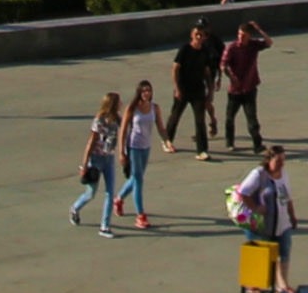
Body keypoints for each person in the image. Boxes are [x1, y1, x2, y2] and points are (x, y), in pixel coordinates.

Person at [70, 91, 124, 235]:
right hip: (96, 159)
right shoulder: (99, 120)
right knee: (91, 193)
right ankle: (75, 208)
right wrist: (84, 164)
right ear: (112, 104)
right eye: (119, 102)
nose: (121, 104)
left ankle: (104, 226)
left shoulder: (118, 119)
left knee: (110, 192)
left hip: (109, 158)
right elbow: (91, 142)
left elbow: (123, 132)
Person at [167, 22, 221, 157]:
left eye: (201, 35)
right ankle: (167, 140)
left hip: (198, 90)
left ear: (204, 37)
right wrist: (177, 88)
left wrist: (210, 91)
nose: (198, 37)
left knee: (200, 120)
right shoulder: (185, 49)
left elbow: (207, 72)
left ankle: (202, 150)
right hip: (183, 88)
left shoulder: (205, 52)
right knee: (175, 116)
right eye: (196, 34)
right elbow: (175, 69)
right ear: (192, 35)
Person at [113, 77, 160, 228]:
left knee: (135, 179)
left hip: (146, 147)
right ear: (139, 92)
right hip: (133, 146)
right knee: (139, 180)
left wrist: (167, 140)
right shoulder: (132, 108)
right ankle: (140, 215)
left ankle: (119, 198)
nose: (147, 93)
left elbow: (161, 126)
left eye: (149, 90)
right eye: (144, 90)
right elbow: (123, 130)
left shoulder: (154, 107)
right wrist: (121, 152)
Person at [222, 15, 272, 153]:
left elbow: (269, 42)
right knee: (230, 117)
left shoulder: (253, 45)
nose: (240, 37)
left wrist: (259, 29)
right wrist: (231, 77)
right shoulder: (232, 48)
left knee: (252, 119)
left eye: (243, 35)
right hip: (235, 90)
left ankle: (257, 144)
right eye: (239, 34)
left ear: (249, 36)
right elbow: (223, 64)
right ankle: (229, 141)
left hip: (250, 87)